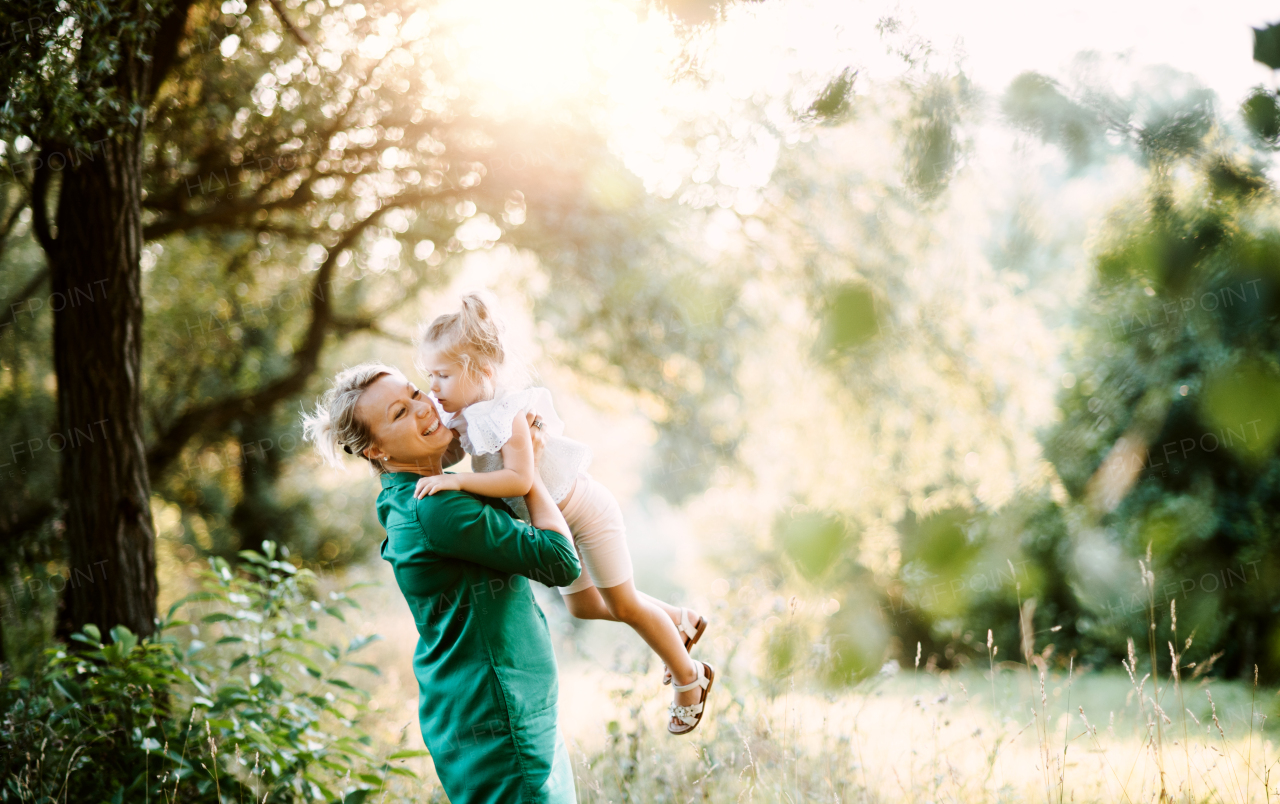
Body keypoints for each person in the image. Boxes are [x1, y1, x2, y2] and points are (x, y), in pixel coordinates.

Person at [412, 291, 714, 735]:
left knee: (624, 604)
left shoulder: (508, 414)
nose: (434, 387)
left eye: (442, 375)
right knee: (585, 606)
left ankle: (691, 678)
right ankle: (679, 620)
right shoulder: (468, 414)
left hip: (586, 513)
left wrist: (457, 481)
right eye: (429, 376)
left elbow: (517, 479)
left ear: (483, 372)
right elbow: (449, 450)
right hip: (561, 530)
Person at [303, 362, 580, 802]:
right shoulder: (436, 507)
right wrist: (527, 468)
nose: (423, 408)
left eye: (415, 393)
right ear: (375, 451)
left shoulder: (416, 493)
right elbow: (560, 562)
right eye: (399, 413)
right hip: (502, 719)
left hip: (502, 710)